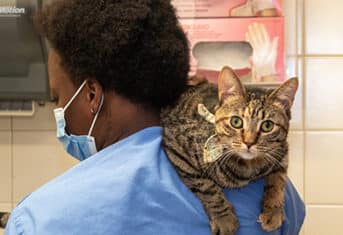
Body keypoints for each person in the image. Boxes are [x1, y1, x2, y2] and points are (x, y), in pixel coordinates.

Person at [5, 0, 305, 234]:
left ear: (92, 95)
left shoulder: (38, 220)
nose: (60, 114)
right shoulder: (276, 191)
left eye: (58, 97)